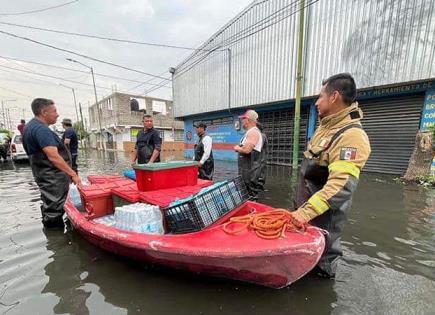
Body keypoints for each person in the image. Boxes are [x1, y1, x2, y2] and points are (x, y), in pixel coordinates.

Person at [291, 73, 371, 278]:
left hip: (323, 223)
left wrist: (304, 213)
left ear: (334, 96)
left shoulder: (352, 136)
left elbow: (341, 186)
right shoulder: (325, 127)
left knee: (319, 272)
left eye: (320, 97)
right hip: (306, 218)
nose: (317, 102)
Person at [23, 98, 81, 228]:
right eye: (54, 111)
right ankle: (57, 240)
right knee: (55, 208)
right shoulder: (41, 129)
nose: (57, 114)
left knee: (50, 204)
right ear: (44, 112)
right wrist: (73, 174)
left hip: (44, 175)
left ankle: (53, 236)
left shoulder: (30, 127)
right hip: (52, 177)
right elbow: (54, 157)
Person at [234, 109, 267, 200]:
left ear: (247, 120)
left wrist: (237, 148)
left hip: (250, 174)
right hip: (247, 173)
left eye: (243, 119)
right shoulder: (251, 132)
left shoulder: (253, 132)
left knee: (250, 197)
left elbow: (247, 150)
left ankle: (252, 212)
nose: (242, 121)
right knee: (247, 197)